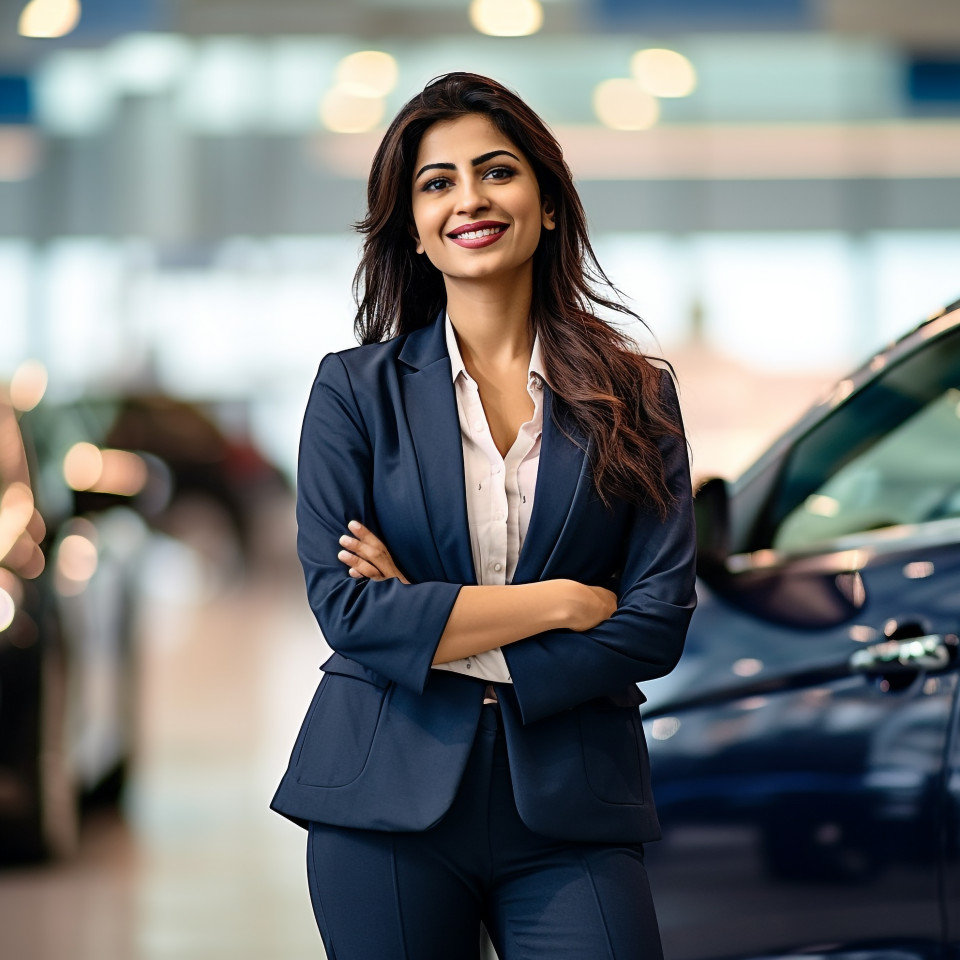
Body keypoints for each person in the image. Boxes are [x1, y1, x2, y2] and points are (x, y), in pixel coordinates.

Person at [271, 72, 697, 960]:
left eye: (496, 171)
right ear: (417, 232)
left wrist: (428, 613)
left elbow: (655, 625)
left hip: (574, 805)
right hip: (382, 799)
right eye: (437, 182)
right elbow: (350, 613)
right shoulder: (353, 392)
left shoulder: (639, 396)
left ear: (546, 205)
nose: (469, 198)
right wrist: (562, 603)